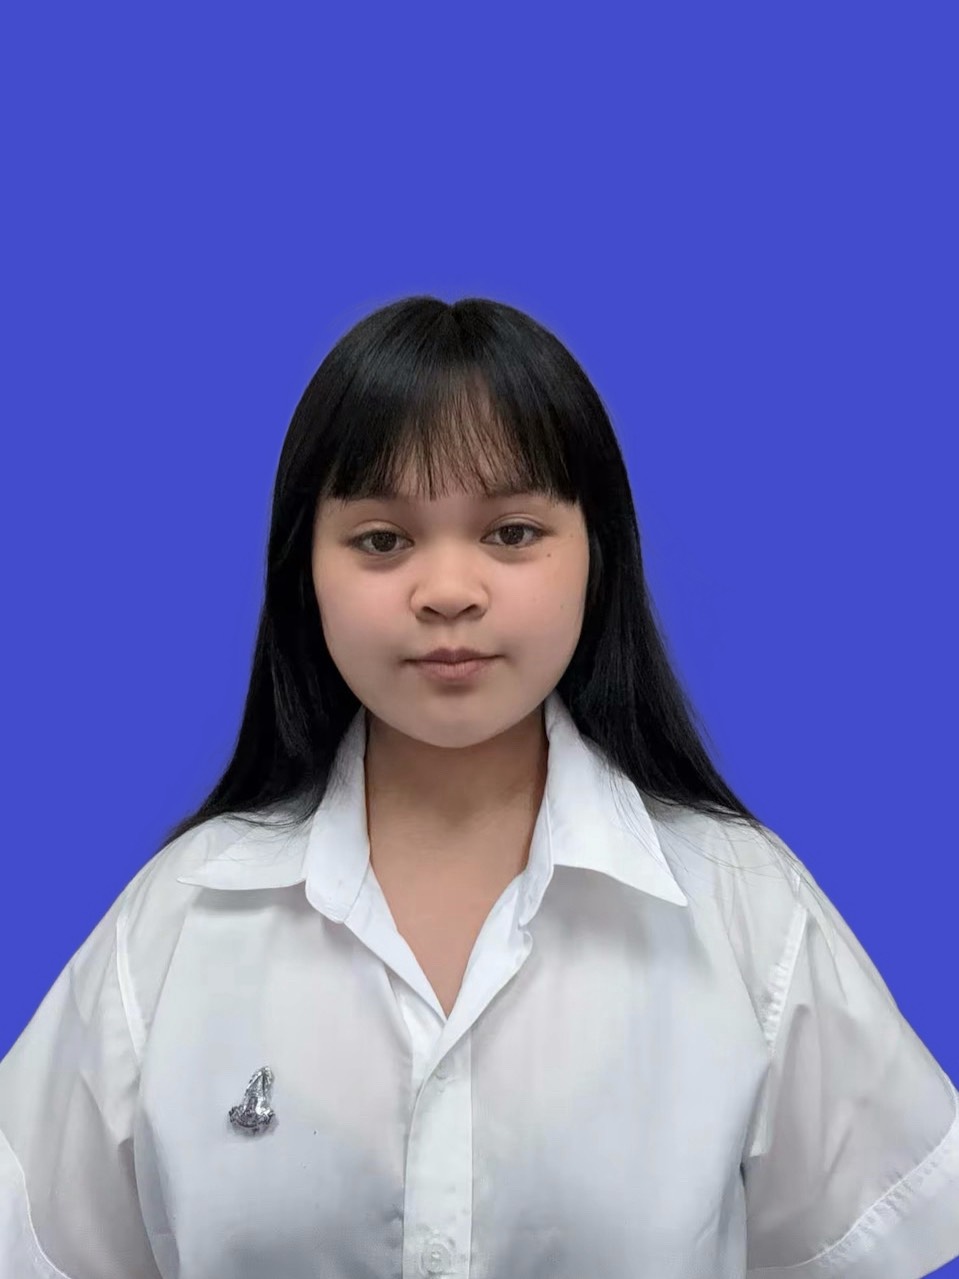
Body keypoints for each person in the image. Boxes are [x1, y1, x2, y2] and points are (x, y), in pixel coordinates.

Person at [1, 296, 957, 1278]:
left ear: (597, 555)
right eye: (382, 539)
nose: (448, 590)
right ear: (304, 571)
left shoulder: (743, 910)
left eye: (511, 531)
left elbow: (866, 1233)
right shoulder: (179, 920)